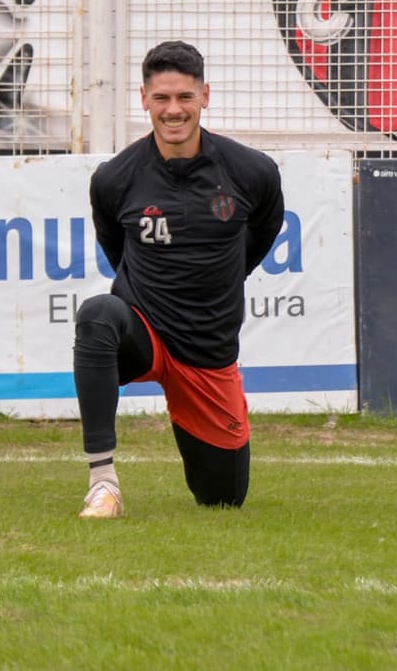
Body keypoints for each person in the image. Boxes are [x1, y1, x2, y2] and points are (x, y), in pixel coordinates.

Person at [73, 40, 284, 518]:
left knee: (224, 498)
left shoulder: (252, 171)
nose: (174, 110)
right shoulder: (114, 178)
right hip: (143, 333)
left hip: (207, 352)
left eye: (185, 97)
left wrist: (226, 275)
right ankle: (102, 483)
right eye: (162, 98)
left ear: (204, 97)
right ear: (144, 99)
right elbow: (116, 250)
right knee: (99, 315)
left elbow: (264, 230)